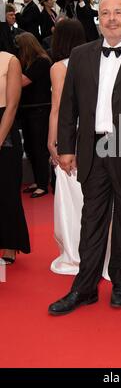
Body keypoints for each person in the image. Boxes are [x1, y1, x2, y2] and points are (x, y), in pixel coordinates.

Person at [48, 0, 121, 316]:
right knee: (91, 221)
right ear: (98, 19)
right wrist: (66, 148)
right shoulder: (80, 55)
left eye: (118, 12)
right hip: (92, 147)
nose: (111, 19)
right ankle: (85, 286)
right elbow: (69, 107)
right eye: (104, 13)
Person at [47, 19, 86, 272]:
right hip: (94, 135)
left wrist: (53, 142)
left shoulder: (59, 66)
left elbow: (59, 108)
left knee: (73, 196)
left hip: (71, 135)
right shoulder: (89, 60)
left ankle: (77, 250)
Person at [0, 46, 30, 264]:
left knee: (6, 190)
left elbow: (12, 106)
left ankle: (10, 245)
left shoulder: (9, 61)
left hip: (4, 129)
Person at [16, 32, 52, 198]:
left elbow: (22, 82)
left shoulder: (41, 62)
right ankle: (39, 181)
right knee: (31, 147)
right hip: (29, 110)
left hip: (40, 110)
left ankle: (43, 184)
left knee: (39, 148)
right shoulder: (30, 63)